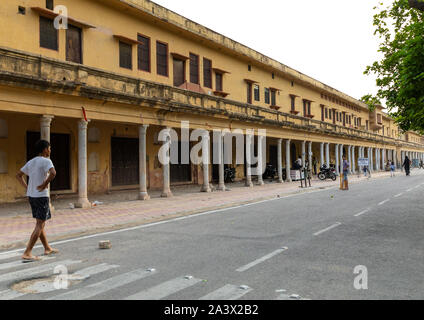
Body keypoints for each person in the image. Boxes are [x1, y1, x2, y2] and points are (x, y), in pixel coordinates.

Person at [16, 140, 59, 262]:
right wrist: (45, 184)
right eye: (49, 148)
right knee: (40, 224)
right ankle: (27, 252)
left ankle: (47, 248)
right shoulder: (46, 161)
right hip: (41, 196)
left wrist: (27, 187)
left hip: (32, 196)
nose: (50, 150)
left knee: (41, 223)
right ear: (45, 149)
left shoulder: (31, 161)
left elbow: (18, 175)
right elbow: (53, 173)